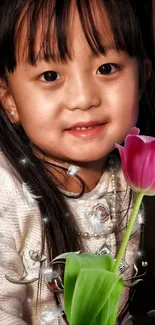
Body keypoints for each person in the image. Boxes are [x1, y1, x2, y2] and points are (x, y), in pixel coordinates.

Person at [0, 0, 154, 324]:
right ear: (9, 99)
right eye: (51, 74)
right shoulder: (7, 192)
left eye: (107, 68)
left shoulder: (136, 174)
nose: (84, 99)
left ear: (142, 76)